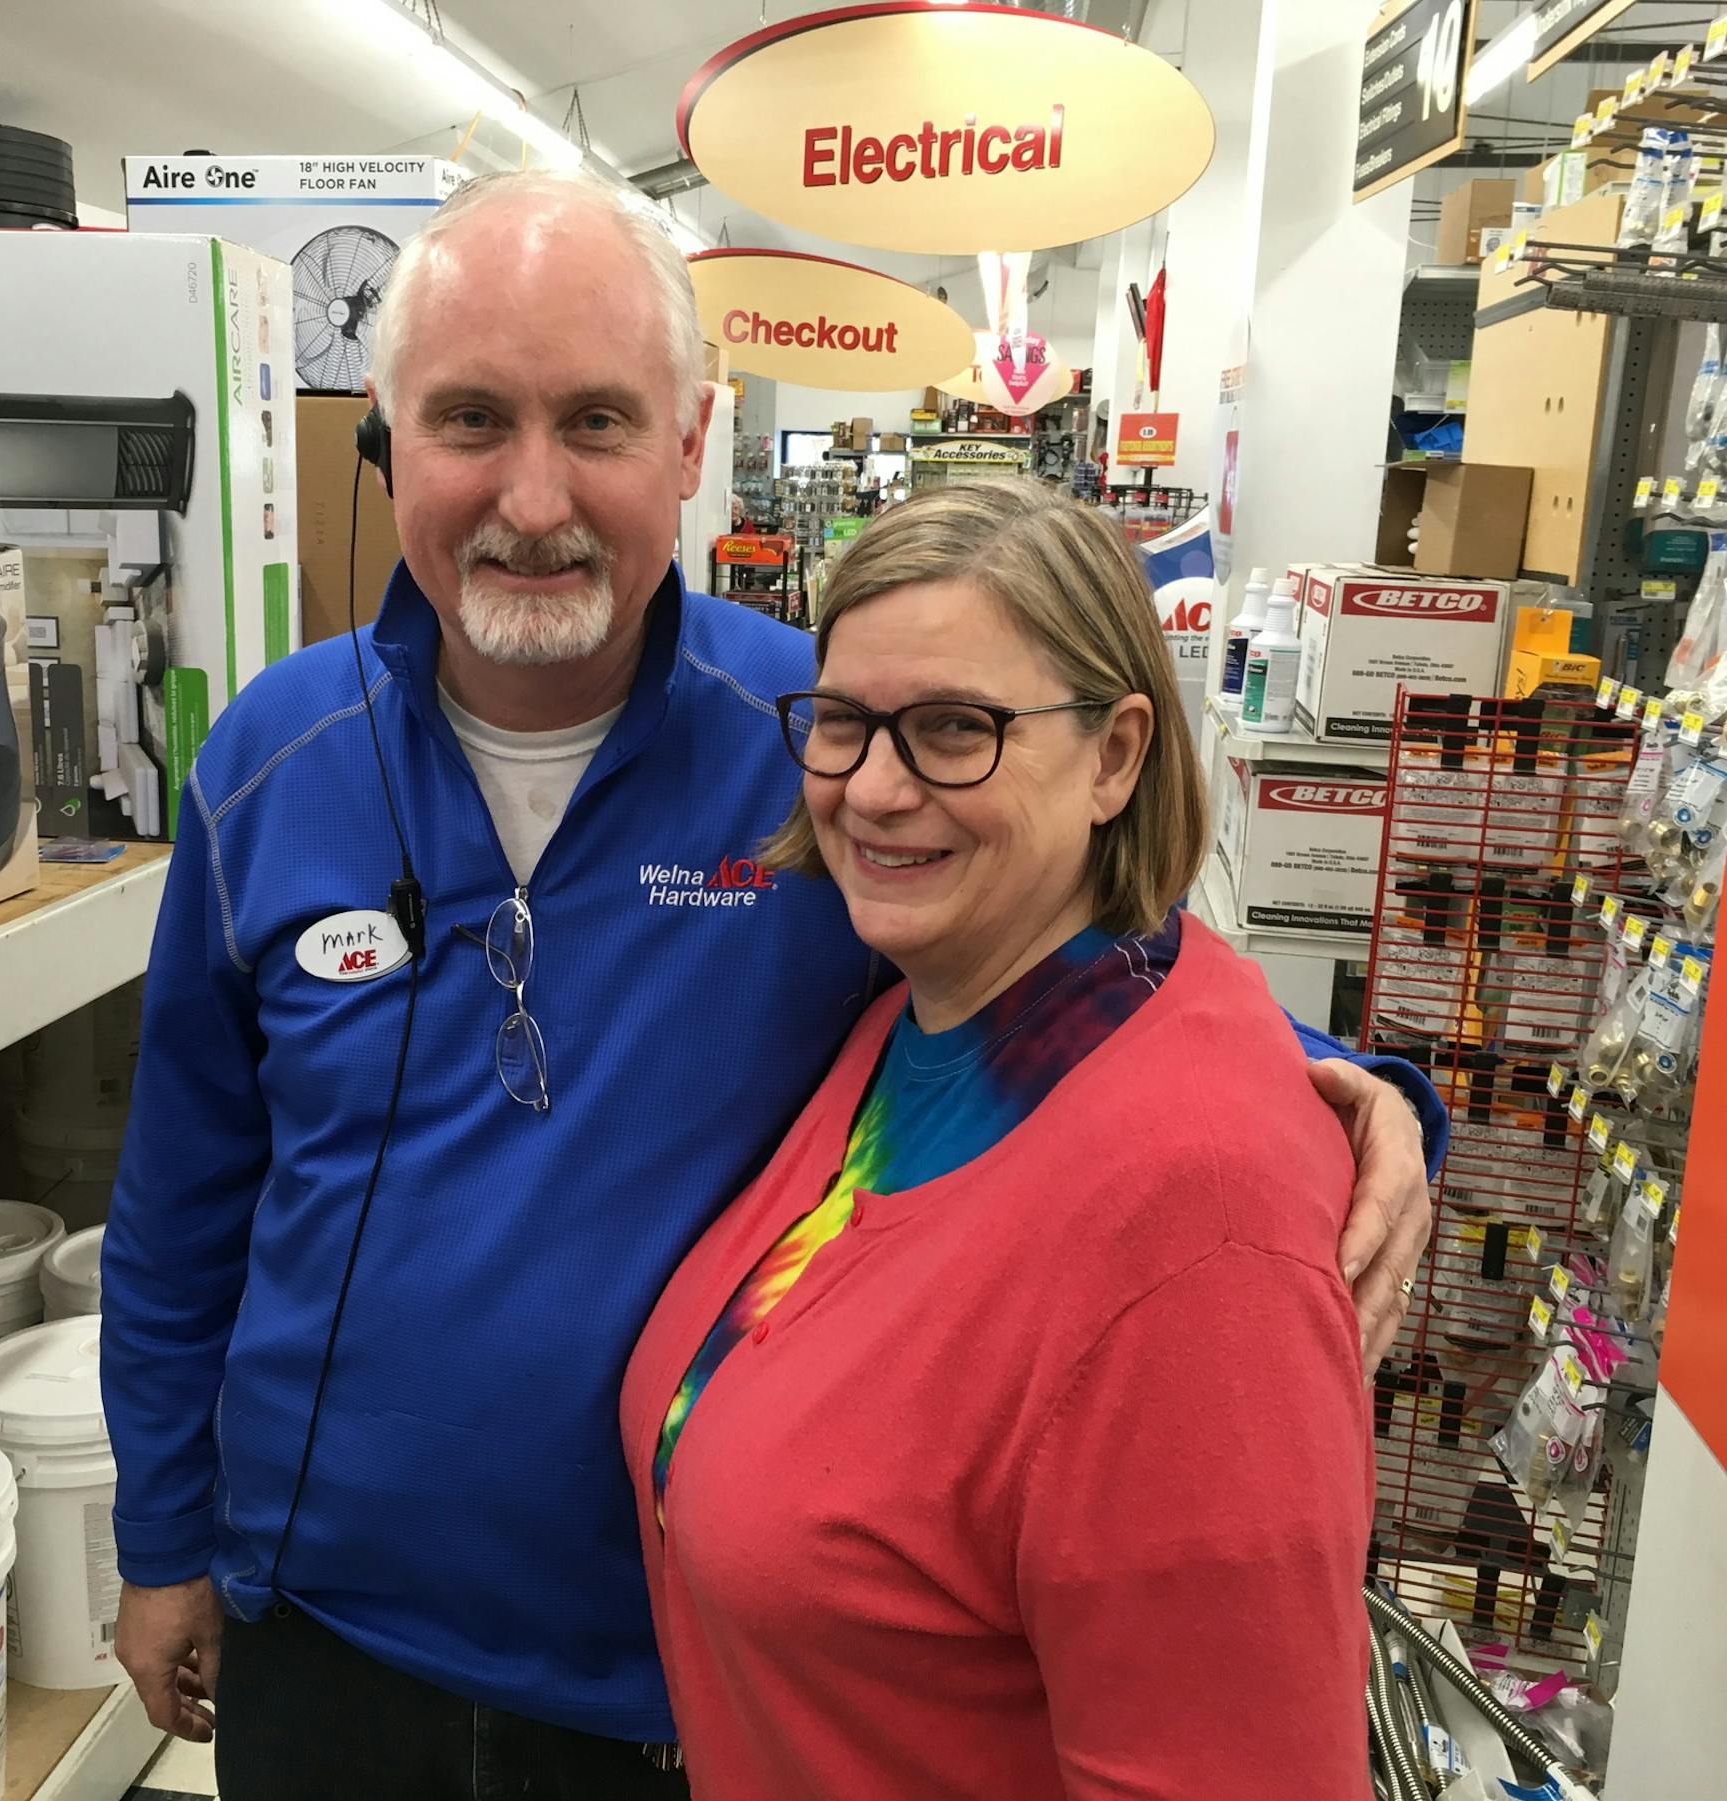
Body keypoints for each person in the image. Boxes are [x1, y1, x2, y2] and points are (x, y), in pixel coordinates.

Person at [100, 169, 1443, 1800]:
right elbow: (181, 1199)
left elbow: (1080, 964)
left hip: (673, 1681)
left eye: (598, 421)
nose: (533, 495)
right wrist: (162, 1536)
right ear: (389, 440)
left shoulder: (819, 741)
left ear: (690, 443)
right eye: (470, 420)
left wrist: (1354, 1096)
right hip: (329, 1641)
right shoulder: (273, 756)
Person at [623, 483, 1373, 1798]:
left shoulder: (1200, 1234)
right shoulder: (917, 1021)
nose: (875, 789)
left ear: (1116, 755)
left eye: (955, 730)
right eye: (843, 722)